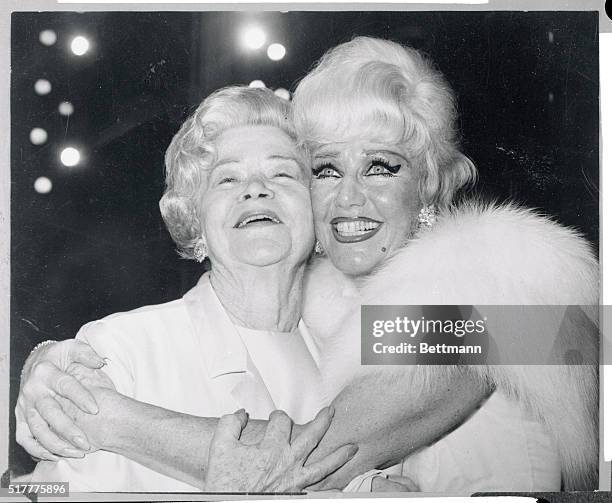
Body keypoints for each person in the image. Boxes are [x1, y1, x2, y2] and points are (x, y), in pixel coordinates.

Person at [17, 37, 598, 492]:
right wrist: (43, 365)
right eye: (325, 169)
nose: (347, 198)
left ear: (428, 184)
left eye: (380, 166)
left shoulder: (501, 283)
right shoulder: (334, 317)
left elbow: (313, 460)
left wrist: (104, 416)